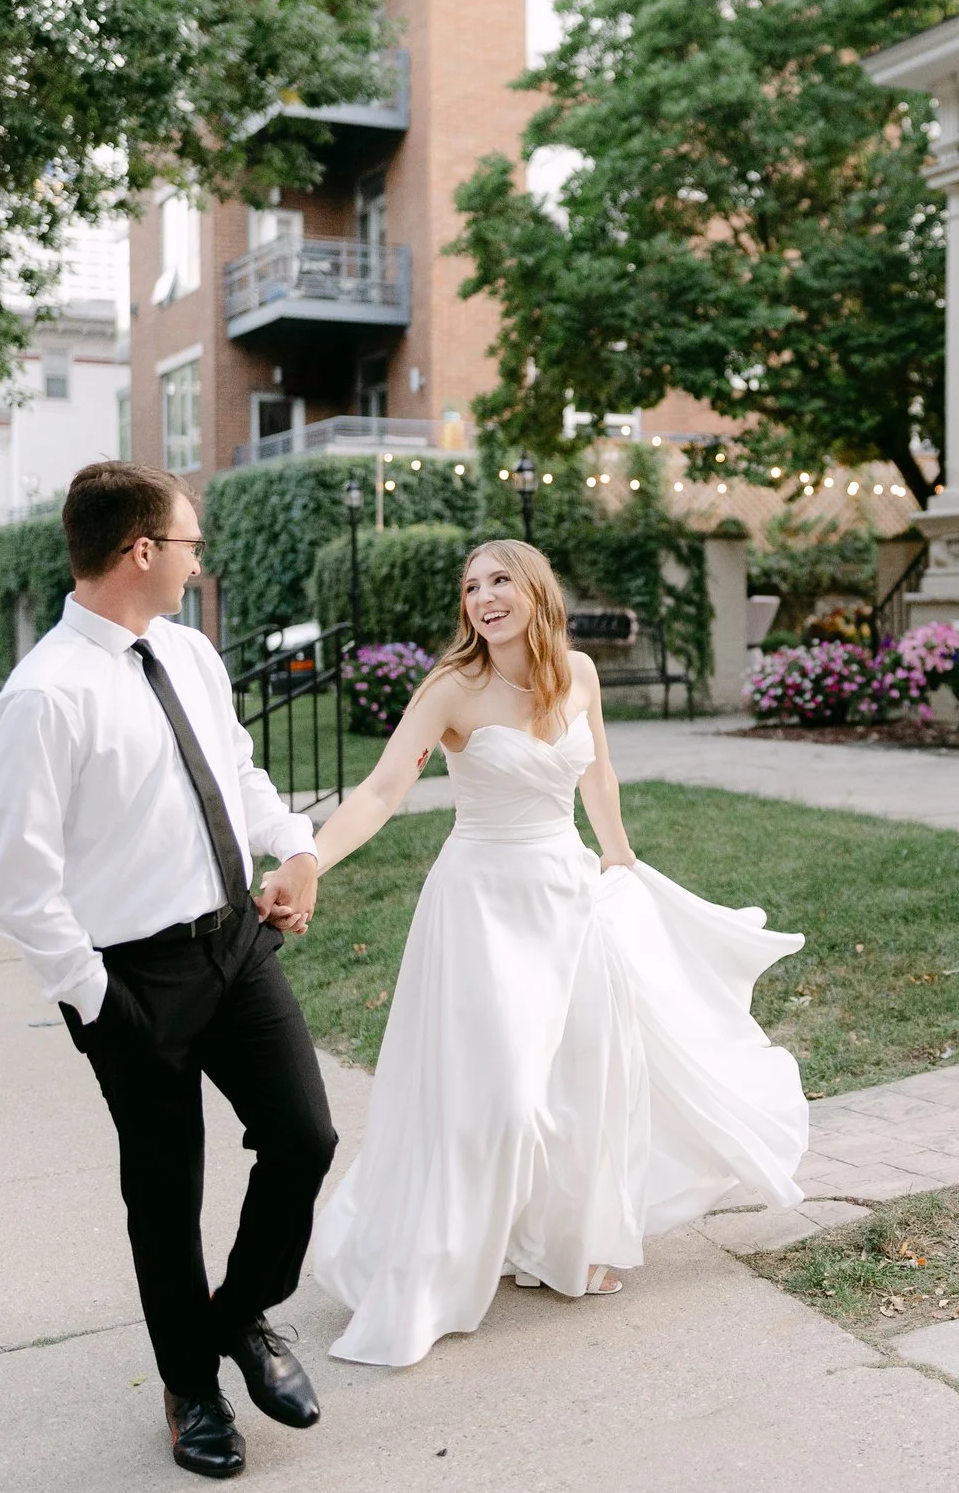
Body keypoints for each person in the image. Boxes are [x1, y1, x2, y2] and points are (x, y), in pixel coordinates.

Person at [302, 539, 808, 1367]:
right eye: (471, 586)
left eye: (500, 580)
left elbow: (597, 774)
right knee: (499, 1092)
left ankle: (559, 1243)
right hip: (480, 903)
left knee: (581, 1078)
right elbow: (382, 788)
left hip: (566, 895)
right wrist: (314, 857)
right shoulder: (450, 689)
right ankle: (446, 1252)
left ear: (537, 588)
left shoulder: (578, 673)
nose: (484, 597)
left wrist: (617, 853)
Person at [0, 462, 335, 1481]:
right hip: (130, 978)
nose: (197, 561)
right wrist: (102, 1005)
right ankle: (192, 1387)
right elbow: (20, 887)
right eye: (189, 544)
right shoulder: (43, 695)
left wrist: (294, 845)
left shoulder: (187, 650)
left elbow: (235, 765)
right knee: (166, 1188)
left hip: (235, 942)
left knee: (304, 1136)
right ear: (142, 550)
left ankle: (241, 1315)